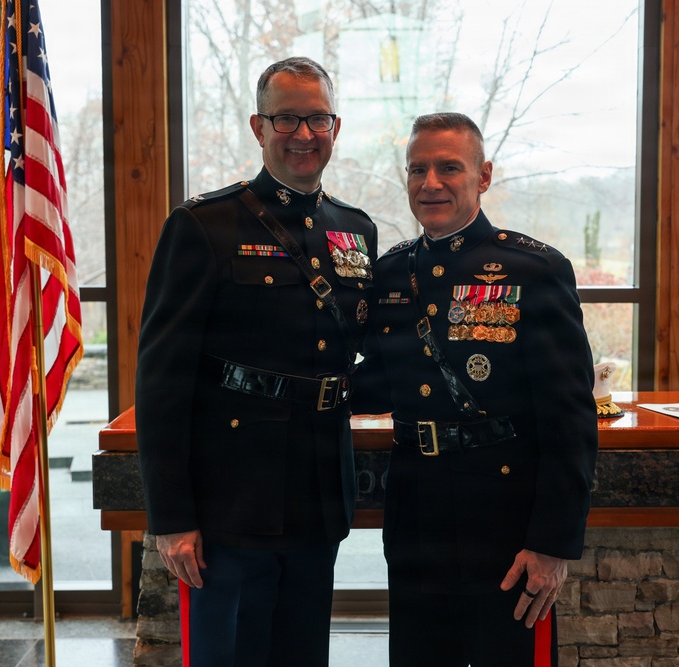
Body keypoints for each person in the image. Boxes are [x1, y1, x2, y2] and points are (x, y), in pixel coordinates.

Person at [135, 56, 377, 666]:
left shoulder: (354, 230)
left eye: (316, 119)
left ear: (336, 126)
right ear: (257, 126)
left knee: (302, 653)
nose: (303, 134)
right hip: (231, 499)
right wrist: (173, 516)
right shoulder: (204, 226)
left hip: (319, 491)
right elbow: (162, 382)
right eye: (287, 118)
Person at [353, 112, 599, 666]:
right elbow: (378, 379)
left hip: (508, 523)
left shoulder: (532, 269)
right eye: (418, 169)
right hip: (417, 513)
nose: (430, 183)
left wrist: (552, 543)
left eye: (449, 168)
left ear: (483, 176)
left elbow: (570, 419)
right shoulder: (392, 272)